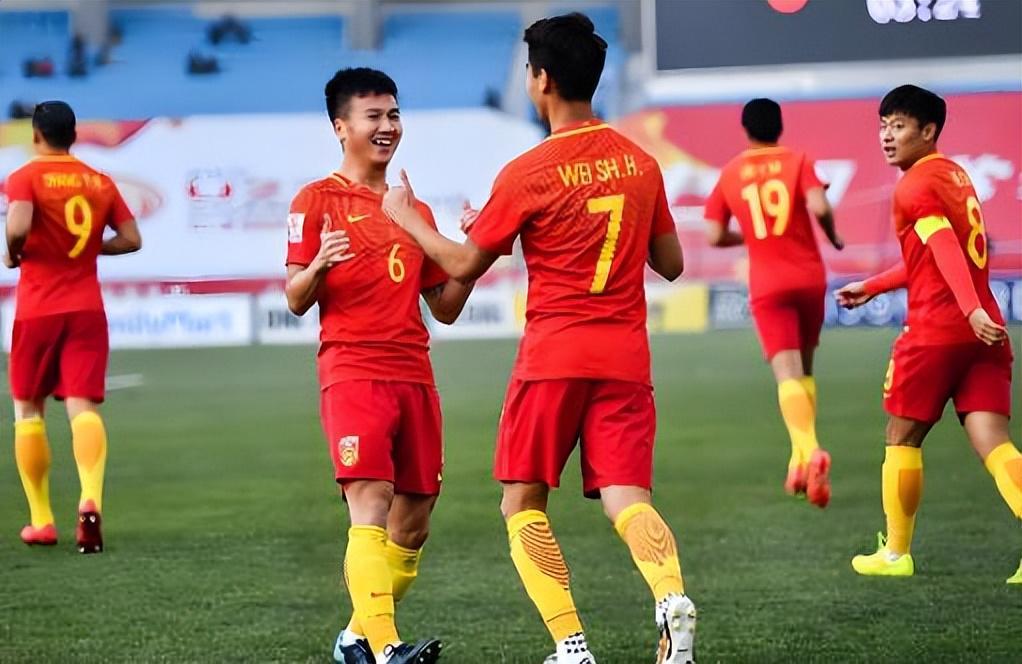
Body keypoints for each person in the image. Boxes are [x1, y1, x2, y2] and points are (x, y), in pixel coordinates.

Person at [381, 14, 696, 664]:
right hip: (626, 357)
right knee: (628, 499)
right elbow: (671, 263)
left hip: (553, 355)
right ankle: (670, 597)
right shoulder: (641, 163)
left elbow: (462, 264)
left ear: (542, 80)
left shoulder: (530, 170)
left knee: (522, 503)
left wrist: (407, 218)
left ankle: (570, 645)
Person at [284, 68, 472, 664]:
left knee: (412, 525)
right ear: (341, 127)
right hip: (353, 371)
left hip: (414, 373)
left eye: (393, 114)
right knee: (370, 502)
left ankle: (355, 640)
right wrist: (318, 264)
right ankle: (389, 650)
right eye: (374, 116)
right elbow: (295, 297)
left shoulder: (412, 209)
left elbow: (445, 307)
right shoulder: (315, 200)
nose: (387, 126)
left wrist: (476, 255)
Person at [835, 85, 1019, 584]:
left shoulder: (913, 186)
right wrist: (873, 286)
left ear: (928, 130)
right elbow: (930, 256)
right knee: (994, 442)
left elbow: (943, 246)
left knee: (901, 437)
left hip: (937, 331)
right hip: (984, 333)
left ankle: (896, 554)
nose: (887, 136)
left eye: (898, 126)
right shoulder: (955, 176)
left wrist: (967, 309)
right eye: (883, 126)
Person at [3, 100, 142, 554]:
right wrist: (86, 249)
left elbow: (18, 225)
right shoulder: (99, 180)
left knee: (28, 409)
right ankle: (90, 499)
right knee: (83, 406)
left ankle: (42, 520)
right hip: (86, 309)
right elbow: (131, 239)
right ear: (75, 136)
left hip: (38, 308)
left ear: (36, 136)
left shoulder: (25, 176)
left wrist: (13, 253)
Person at [704, 98, 843, 507]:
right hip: (809, 276)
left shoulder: (732, 172)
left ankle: (810, 450)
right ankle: (799, 463)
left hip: (768, 281)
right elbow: (819, 205)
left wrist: (749, 236)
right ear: (780, 126)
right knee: (805, 371)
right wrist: (833, 236)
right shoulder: (798, 161)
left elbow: (713, 235)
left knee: (787, 376)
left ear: (745, 130)